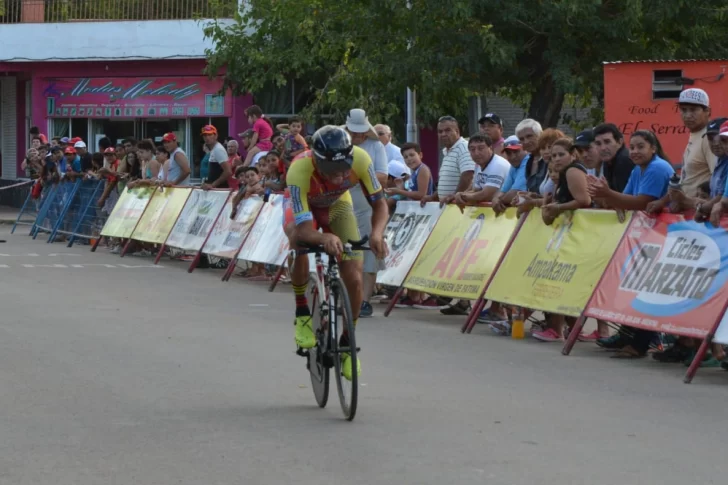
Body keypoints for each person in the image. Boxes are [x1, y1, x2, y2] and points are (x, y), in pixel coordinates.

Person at [283, 125, 388, 380]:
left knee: (353, 274)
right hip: (304, 207)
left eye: (344, 170)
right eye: (332, 172)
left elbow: (380, 204)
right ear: (318, 161)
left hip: (338, 205)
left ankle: (347, 345)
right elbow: (305, 229)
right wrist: (324, 237)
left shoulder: (362, 160)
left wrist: (376, 233)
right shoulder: (299, 169)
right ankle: (302, 313)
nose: (340, 177)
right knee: (298, 243)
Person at [588, 130, 674, 358]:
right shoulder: (638, 169)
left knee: (648, 290)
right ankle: (628, 335)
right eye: (633, 147)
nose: (635, 152)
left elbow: (642, 201)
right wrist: (603, 196)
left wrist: (608, 194)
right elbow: (622, 200)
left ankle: (641, 343)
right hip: (648, 237)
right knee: (635, 287)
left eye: (640, 147)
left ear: (653, 148)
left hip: (663, 236)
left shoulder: (657, 167)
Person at [530, 138, 592, 342]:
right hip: (567, 233)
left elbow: (584, 201)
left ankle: (557, 328)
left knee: (559, 281)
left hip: (579, 234)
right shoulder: (563, 175)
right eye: (554, 155)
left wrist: (558, 208)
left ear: (572, 155)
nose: (556, 159)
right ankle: (573, 330)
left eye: (561, 154)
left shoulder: (573, 171)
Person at [344, 109, 389, 318]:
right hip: (342, 199)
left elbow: (383, 176)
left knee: (370, 249)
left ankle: (364, 300)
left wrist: (358, 176)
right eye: (353, 132)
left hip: (368, 201)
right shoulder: (338, 142)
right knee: (343, 248)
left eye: (360, 133)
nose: (357, 136)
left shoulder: (375, 146)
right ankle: (346, 294)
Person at [450, 133, 510, 205]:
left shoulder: (498, 165)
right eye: (472, 149)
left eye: (481, 148)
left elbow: (485, 195)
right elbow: (476, 190)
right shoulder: (479, 165)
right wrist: (460, 195)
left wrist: (461, 196)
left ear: (490, 148)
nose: (476, 153)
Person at [200, 125, 233, 190]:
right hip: (216, 190)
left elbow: (228, 172)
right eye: (205, 135)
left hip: (219, 190)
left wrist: (213, 185)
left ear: (216, 135)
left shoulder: (218, 149)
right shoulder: (214, 149)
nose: (207, 137)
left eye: (209, 135)